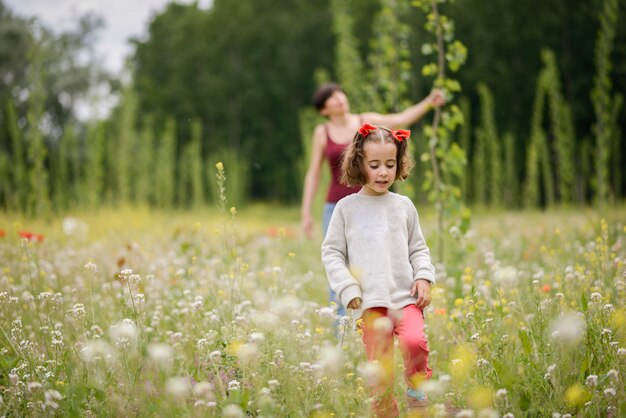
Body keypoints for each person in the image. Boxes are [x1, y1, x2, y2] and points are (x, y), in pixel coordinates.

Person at [321, 123, 435, 417]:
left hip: (405, 298)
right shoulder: (347, 209)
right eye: (375, 165)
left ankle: (417, 395)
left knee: (415, 342)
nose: (383, 172)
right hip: (371, 304)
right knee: (380, 373)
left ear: (399, 164)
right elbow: (332, 252)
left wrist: (423, 276)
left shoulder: (404, 206)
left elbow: (418, 248)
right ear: (359, 164)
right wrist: (348, 288)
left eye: (390, 164)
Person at [301, 83, 443, 317]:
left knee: (377, 264)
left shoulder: (365, 123)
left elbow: (401, 119)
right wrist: (306, 211)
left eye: (339, 93)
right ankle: (344, 331)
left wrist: (429, 101)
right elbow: (314, 172)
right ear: (323, 109)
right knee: (340, 270)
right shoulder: (322, 132)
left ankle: (386, 316)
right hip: (337, 206)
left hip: (376, 204)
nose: (338, 98)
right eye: (330, 98)